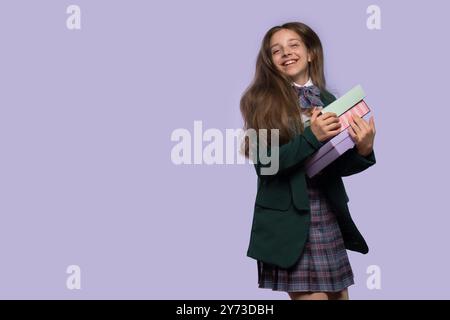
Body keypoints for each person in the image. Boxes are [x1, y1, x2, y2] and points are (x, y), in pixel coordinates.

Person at [240, 22, 377, 300]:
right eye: (276, 50)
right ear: (270, 61)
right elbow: (266, 165)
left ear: (310, 52)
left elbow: (335, 164)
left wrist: (363, 150)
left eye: (293, 45)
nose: (286, 53)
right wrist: (311, 136)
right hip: (289, 221)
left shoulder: (328, 100)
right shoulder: (259, 101)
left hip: (327, 211)